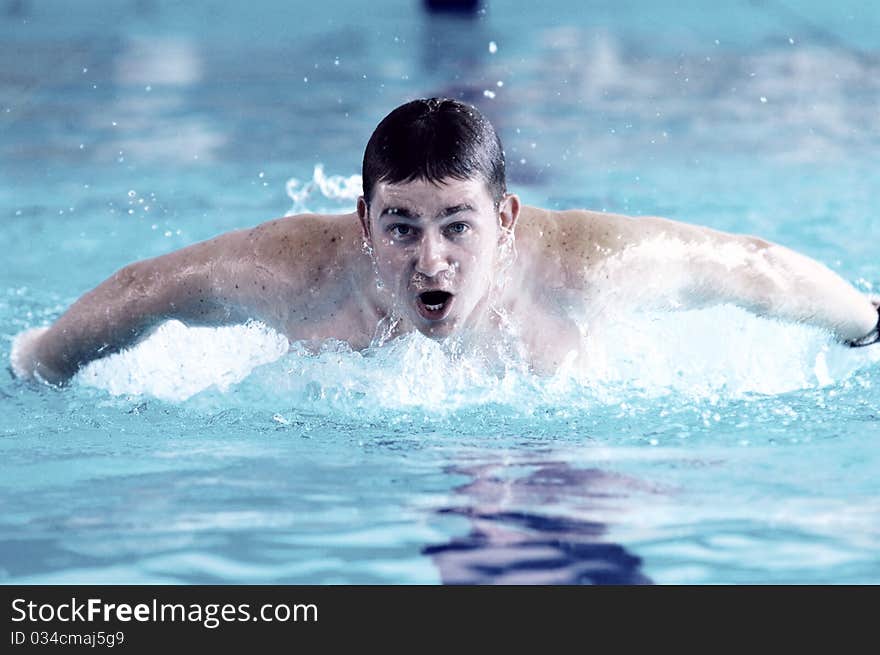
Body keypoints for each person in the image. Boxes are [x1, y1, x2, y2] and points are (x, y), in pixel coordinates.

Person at [10, 98, 880, 385]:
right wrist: (35, 364)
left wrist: (867, 322)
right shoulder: (296, 272)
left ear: (503, 220)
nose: (431, 260)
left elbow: (748, 266)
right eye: (401, 227)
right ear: (363, 221)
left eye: (457, 226)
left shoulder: (584, 267)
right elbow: (140, 290)